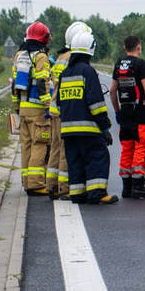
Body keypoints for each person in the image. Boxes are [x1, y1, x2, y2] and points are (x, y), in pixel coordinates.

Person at [58, 31, 118, 205]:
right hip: (89, 129)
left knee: (75, 160)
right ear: (90, 49)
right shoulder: (88, 72)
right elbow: (96, 103)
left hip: (68, 129)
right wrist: (105, 127)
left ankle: (77, 194)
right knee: (97, 157)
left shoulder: (65, 73)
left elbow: (61, 102)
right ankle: (97, 193)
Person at [47, 21, 92, 201]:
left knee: (55, 149)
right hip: (64, 109)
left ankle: (52, 186)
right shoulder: (71, 58)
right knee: (67, 150)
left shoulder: (60, 57)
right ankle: (65, 188)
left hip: (54, 108)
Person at [11, 21, 53, 196]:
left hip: (23, 108)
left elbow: (14, 84)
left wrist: (17, 107)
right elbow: (43, 83)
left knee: (26, 145)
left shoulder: (19, 55)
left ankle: (27, 181)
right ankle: (35, 184)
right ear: (44, 39)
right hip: (37, 109)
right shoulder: (40, 57)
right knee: (40, 144)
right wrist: (48, 106)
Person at [110, 35, 145, 198]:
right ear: (139, 47)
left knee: (127, 148)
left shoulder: (119, 64)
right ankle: (138, 185)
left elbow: (113, 90)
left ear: (124, 47)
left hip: (125, 112)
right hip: (140, 112)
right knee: (141, 147)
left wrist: (117, 110)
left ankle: (126, 187)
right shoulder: (141, 64)